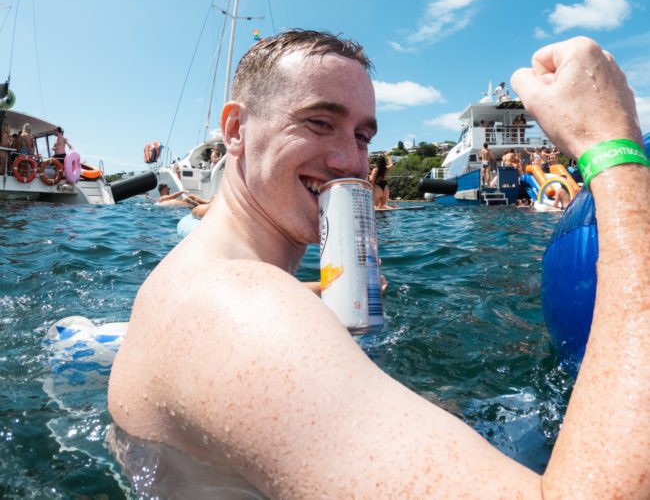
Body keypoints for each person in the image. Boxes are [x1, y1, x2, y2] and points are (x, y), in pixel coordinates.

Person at [109, 33, 650, 498]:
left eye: (362, 136)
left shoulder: (216, 285)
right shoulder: (239, 313)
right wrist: (609, 146)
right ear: (235, 131)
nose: (350, 162)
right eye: (320, 122)